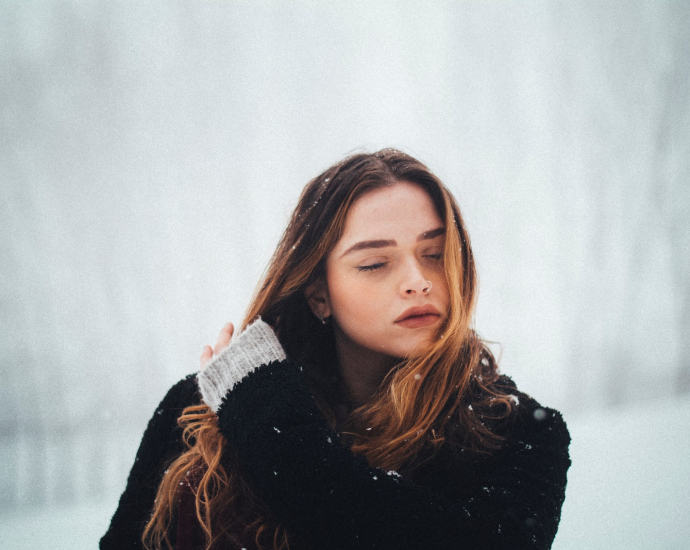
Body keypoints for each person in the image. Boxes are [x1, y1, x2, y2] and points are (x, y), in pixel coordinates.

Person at [100, 149, 571, 550]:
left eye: (434, 254)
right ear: (318, 294)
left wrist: (267, 417)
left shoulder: (519, 436)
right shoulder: (203, 411)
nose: (418, 281)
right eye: (374, 264)